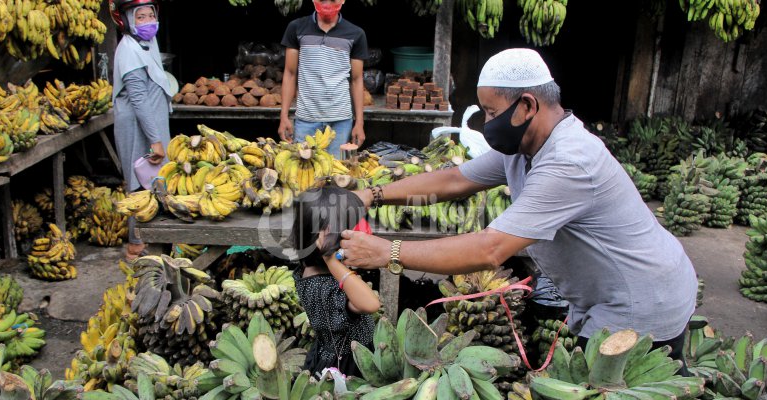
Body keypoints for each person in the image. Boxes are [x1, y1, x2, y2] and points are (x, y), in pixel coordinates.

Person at [339, 48, 698, 361]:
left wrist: (388, 251)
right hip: (604, 296)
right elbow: (456, 179)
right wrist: (372, 193)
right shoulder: (524, 146)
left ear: (527, 105)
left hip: (641, 302)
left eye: (492, 112)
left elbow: (491, 248)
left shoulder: (569, 161)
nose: (487, 123)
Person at [291, 186, 381, 377]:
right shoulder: (325, 289)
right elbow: (371, 304)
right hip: (349, 365)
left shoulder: (309, 269)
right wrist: (331, 259)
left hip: (333, 352)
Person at [110, 0, 171, 261]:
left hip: (152, 125)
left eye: (150, 16)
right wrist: (155, 140)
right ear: (127, 21)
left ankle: (152, 241)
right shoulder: (128, 51)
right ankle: (135, 247)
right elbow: (139, 99)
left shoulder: (146, 45)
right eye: (141, 17)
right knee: (139, 186)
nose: (148, 22)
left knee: (154, 184)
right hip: (139, 128)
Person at [278, 0, 368, 159]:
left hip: (340, 120)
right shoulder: (296, 28)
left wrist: (359, 122)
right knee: (303, 176)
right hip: (306, 119)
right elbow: (290, 73)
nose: (327, 3)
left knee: (335, 174)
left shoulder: (355, 33)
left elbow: (356, 79)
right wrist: (284, 116)